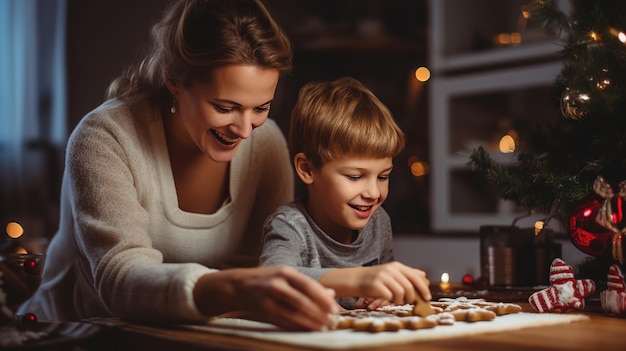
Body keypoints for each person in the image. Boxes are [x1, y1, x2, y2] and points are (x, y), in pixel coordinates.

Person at [17, 0, 340, 331]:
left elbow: (265, 264)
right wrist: (237, 289)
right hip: (68, 334)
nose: (245, 130)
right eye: (225, 107)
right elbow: (119, 279)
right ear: (174, 79)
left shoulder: (266, 143)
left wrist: (349, 282)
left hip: (191, 336)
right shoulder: (104, 136)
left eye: (261, 107)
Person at [259, 77, 431, 311]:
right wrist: (359, 281)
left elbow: (385, 287)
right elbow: (272, 278)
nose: (373, 193)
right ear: (307, 169)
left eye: (383, 176)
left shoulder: (378, 223)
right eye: (354, 177)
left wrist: (385, 296)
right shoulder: (290, 226)